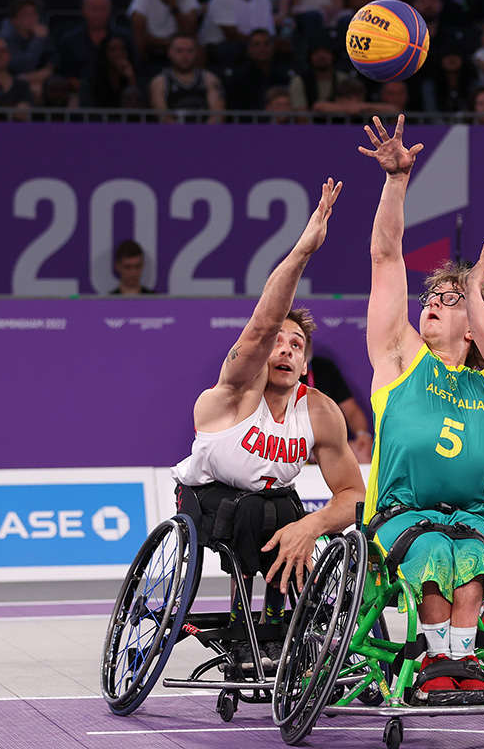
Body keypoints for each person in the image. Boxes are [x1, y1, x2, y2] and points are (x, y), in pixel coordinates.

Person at [360, 115, 484, 705]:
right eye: (431, 297)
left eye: (450, 302)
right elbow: (385, 258)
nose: (432, 304)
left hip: (472, 517)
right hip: (399, 514)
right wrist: (398, 182)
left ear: (475, 324)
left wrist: (475, 294)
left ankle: (462, 660)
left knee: (472, 554)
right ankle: (440, 658)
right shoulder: (402, 358)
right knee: (434, 550)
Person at [171, 176, 365, 665]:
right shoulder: (234, 392)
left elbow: (353, 495)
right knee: (260, 510)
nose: (284, 348)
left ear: (305, 364)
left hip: (276, 511)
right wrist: (301, 253)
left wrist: (314, 526)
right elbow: (260, 326)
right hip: (208, 499)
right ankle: (250, 624)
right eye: (278, 341)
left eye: (296, 345)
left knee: (288, 512)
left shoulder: (320, 411)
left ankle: (285, 619)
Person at [303, 355, 374, 463]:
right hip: (293, 444)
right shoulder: (278, 371)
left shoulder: (324, 368)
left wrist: (362, 434)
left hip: (330, 444)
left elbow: (351, 410)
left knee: (363, 452)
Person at [128, 0, 201, 65]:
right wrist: (168, 44)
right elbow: (138, 33)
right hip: (150, 48)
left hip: (180, 51)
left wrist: (173, 5)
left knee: (199, 49)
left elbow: (190, 32)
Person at [148, 33, 225, 122]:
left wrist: (203, 134)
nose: (185, 56)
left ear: (196, 52)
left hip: (206, 133)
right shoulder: (160, 82)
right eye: (180, 51)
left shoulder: (210, 79)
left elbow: (217, 115)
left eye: (190, 51)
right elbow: (163, 117)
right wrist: (183, 134)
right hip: (173, 134)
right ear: (169, 52)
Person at [0, 0, 57, 99]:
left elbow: (52, 63)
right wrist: (38, 40)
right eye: (26, 14)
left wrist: (43, 73)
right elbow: (23, 66)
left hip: (33, 81)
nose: (32, 18)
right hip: (5, 84)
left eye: (34, 13)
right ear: (14, 20)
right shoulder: (5, 38)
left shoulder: (41, 35)